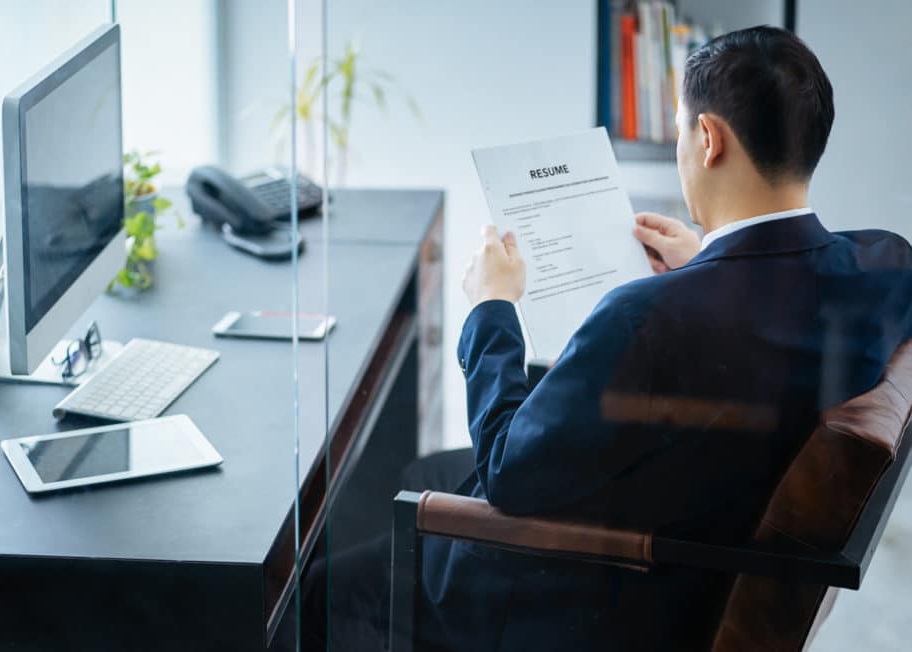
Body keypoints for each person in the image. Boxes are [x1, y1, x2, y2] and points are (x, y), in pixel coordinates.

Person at [292, 25, 912, 651]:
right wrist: (708, 263)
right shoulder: (886, 265)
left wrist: (492, 307)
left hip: (592, 592)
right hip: (701, 541)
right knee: (431, 468)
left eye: (678, 130)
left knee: (318, 587)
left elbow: (507, 476)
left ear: (708, 139)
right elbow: (777, 320)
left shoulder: (647, 319)